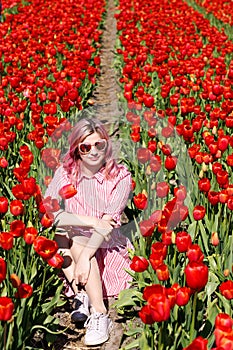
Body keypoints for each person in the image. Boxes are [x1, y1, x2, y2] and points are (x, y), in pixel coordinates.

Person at [44, 117, 133, 346]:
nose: (93, 151)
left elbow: (107, 226)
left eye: (99, 145)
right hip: (72, 243)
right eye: (85, 147)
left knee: (79, 238)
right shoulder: (65, 174)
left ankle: (98, 312)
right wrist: (91, 220)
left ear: (106, 144)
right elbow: (50, 214)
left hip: (103, 244)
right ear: (77, 149)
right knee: (65, 234)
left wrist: (85, 257)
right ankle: (83, 293)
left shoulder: (120, 176)